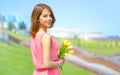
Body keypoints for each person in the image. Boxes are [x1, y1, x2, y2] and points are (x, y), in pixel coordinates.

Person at [29, 3, 65, 75]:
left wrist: (57, 56)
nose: (49, 18)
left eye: (50, 15)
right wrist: (60, 62)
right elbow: (47, 64)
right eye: (45, 16)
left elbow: (41, 59)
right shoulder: (45, 37)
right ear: (37, 19)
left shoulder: (33, 37)